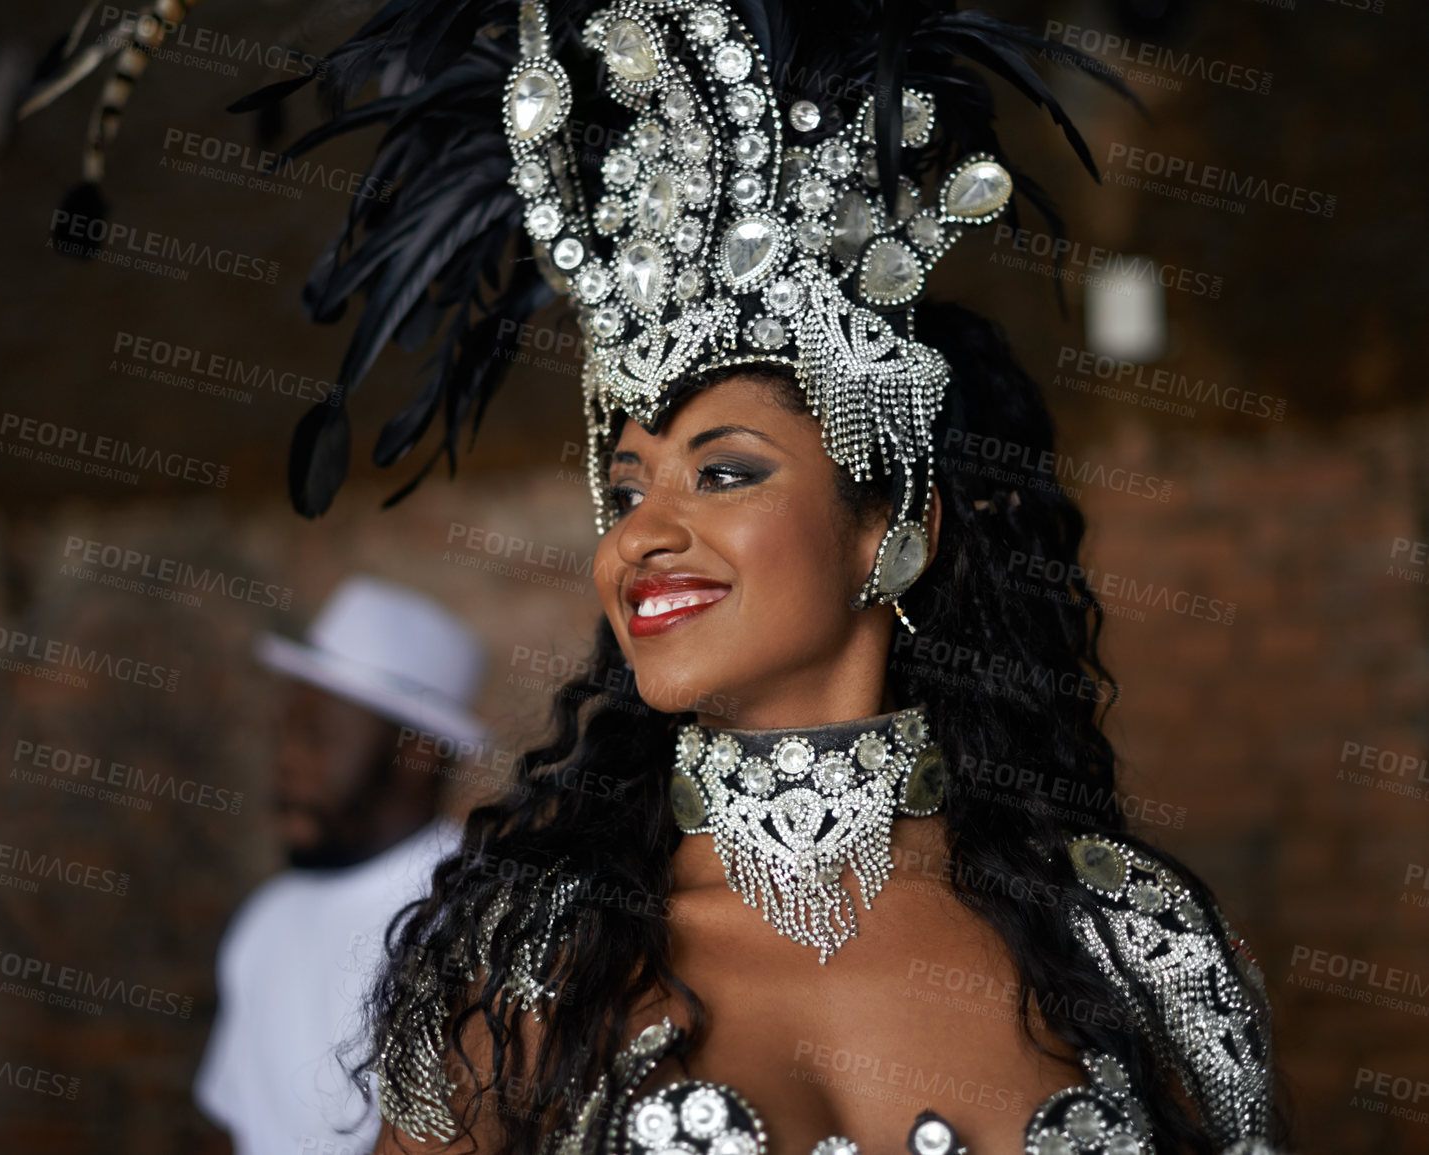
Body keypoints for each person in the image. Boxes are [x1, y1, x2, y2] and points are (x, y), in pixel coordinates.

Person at [258, 2, 1289, 1154]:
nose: (640, 537)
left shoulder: (1132, 941)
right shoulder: (532, 959)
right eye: (627, 486)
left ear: (889, 526)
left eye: (725, 472)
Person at [194, 575, 486, 1155]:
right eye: (285, 734)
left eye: (318, 737)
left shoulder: (477, 917)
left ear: (416, 751)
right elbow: (233, 1126)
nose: (285, 759)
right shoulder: (267, 919)